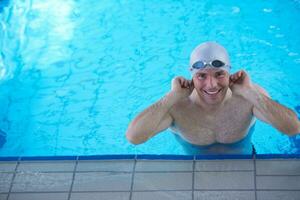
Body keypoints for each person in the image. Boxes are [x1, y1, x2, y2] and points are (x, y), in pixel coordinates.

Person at [125, 41, 300, 153]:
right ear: (191, 75)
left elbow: (293, 128)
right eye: (202, 75)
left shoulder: (249, 98)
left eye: (219, 74)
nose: (211, 84)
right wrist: (171, 97)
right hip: (194, 171)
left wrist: (249, 92)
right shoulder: (176, 106)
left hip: (245, 167)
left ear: (229, 72)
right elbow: (134, 137)